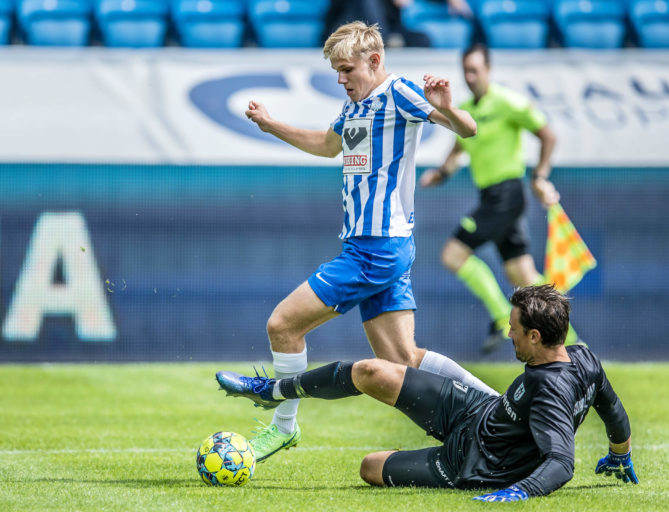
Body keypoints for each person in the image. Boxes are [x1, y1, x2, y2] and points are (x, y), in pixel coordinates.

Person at [218, 21, 496, 464]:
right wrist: (272, 125)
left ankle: (283, 428)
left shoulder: (399, 92)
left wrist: (448, 106)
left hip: (375, 249)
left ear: (375, 61)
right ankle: (498, 409)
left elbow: (466, 130)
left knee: (282, 325)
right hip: (380, 247)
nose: (341, 79)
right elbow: (327, 146)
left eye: (347, 70)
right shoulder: (355, 110)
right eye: (337, 73)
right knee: (403, 360)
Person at [217, 285, 638, 500]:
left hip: (474, 462)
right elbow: (614, 410)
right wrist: (620, 454)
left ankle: (419, 453)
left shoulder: (548, 392)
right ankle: (273, 390)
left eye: (513, 329)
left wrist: (517, 492)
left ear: (534, 335)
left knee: (370, 467)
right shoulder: (584, 358)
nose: (507, 333)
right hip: (477, 413)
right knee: (370, 371)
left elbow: (562, 463)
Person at [419, 43, 581, 353]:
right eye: (465, 70)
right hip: (493, 197)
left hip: (506, 195)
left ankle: (498, 317)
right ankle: (574, 346)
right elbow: (456, 154)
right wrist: (440, 174)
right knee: (525, 277)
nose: (470, 76)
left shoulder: (508, 102)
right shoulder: (466, 109)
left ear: (488, 70)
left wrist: (540, 175)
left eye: (475, 70)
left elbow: (548, 134)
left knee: (453, 255)